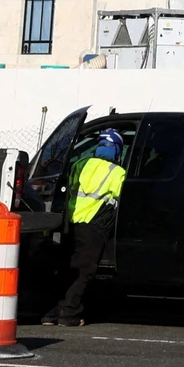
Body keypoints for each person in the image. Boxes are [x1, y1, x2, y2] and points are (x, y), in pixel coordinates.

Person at [43, 128, 130, 327]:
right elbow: (124, 199)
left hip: (70, 223)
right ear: (116, 150)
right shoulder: (117, 172)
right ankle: (68, 314)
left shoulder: (79, 164)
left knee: (67, 269)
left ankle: (53, 312)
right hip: (93, 226)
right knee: (84, 271)